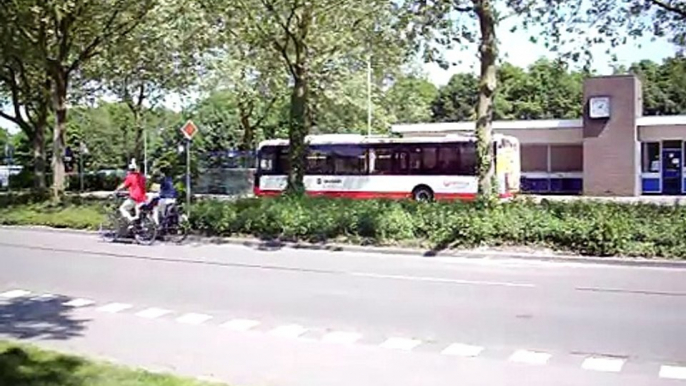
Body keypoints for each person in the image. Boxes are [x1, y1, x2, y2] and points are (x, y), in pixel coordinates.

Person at [115, 159, 147, 226]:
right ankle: (136, 226)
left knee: (122, 208)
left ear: (130, 170)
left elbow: (124, 185)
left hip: (134, 197)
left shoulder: (130, 176)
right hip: (143, 198)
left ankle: (131, 220)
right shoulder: (141, 176)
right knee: (138, 214)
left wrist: (117, 190)